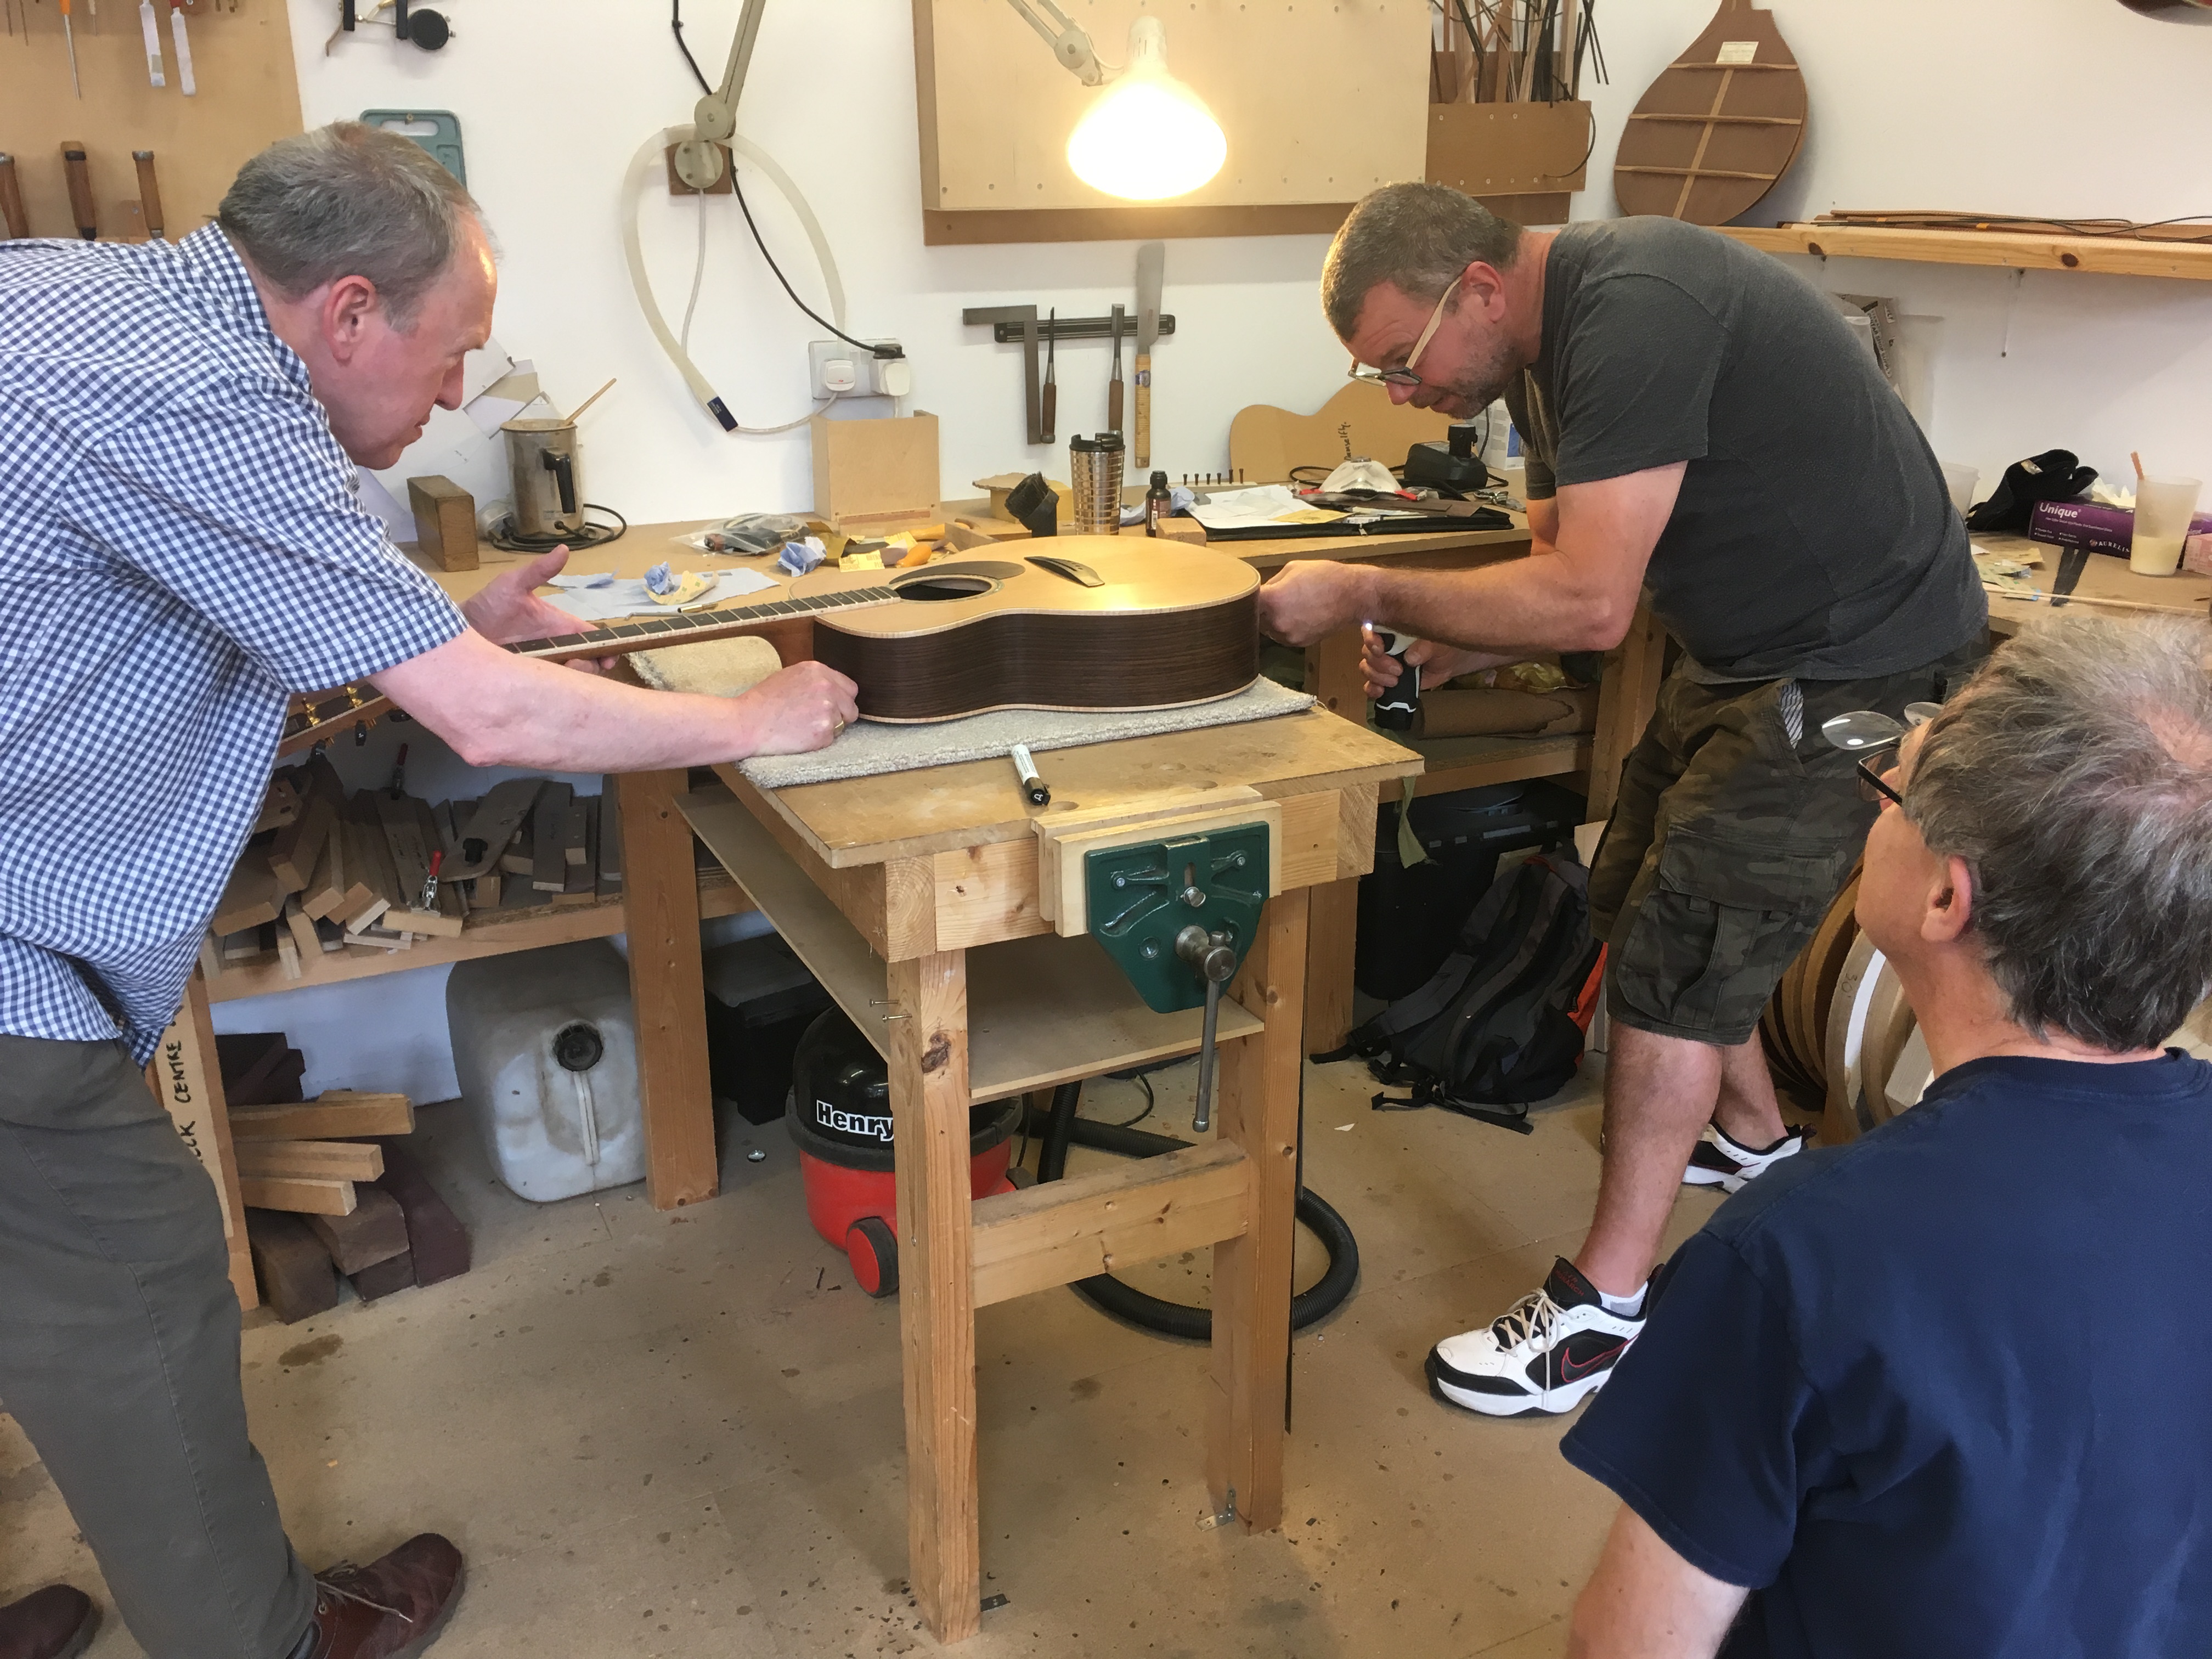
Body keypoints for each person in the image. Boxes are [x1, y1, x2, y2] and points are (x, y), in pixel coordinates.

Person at [0, 124, 855, 1659]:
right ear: (347, 313)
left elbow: (169, 614)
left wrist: (449, 625)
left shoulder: (85, 296)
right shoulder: (208, 395)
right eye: (452, 352)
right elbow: (492, 724)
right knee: (133, 1288)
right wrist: (749, 719)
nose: (459, 395)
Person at [1255, 182, 1986, 1417]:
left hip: (1856, 659)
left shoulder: (1637, 309)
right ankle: (1755, 1142)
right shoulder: (1537, 355)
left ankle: (1600, 1314)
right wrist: (1455, 648)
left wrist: (1366, 588)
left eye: (1400, 361)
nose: (1398, 394)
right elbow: (1571, 566)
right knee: (1636, 884)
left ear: (1478, 289)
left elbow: (1592, 608)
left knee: (1681, 950)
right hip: (1748, 650)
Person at [1558, 612, 2212, 1657]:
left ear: (1950, 896)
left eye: (1890, 788)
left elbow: (1627, 1646)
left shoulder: (1800, 1252)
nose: (1872, 804)